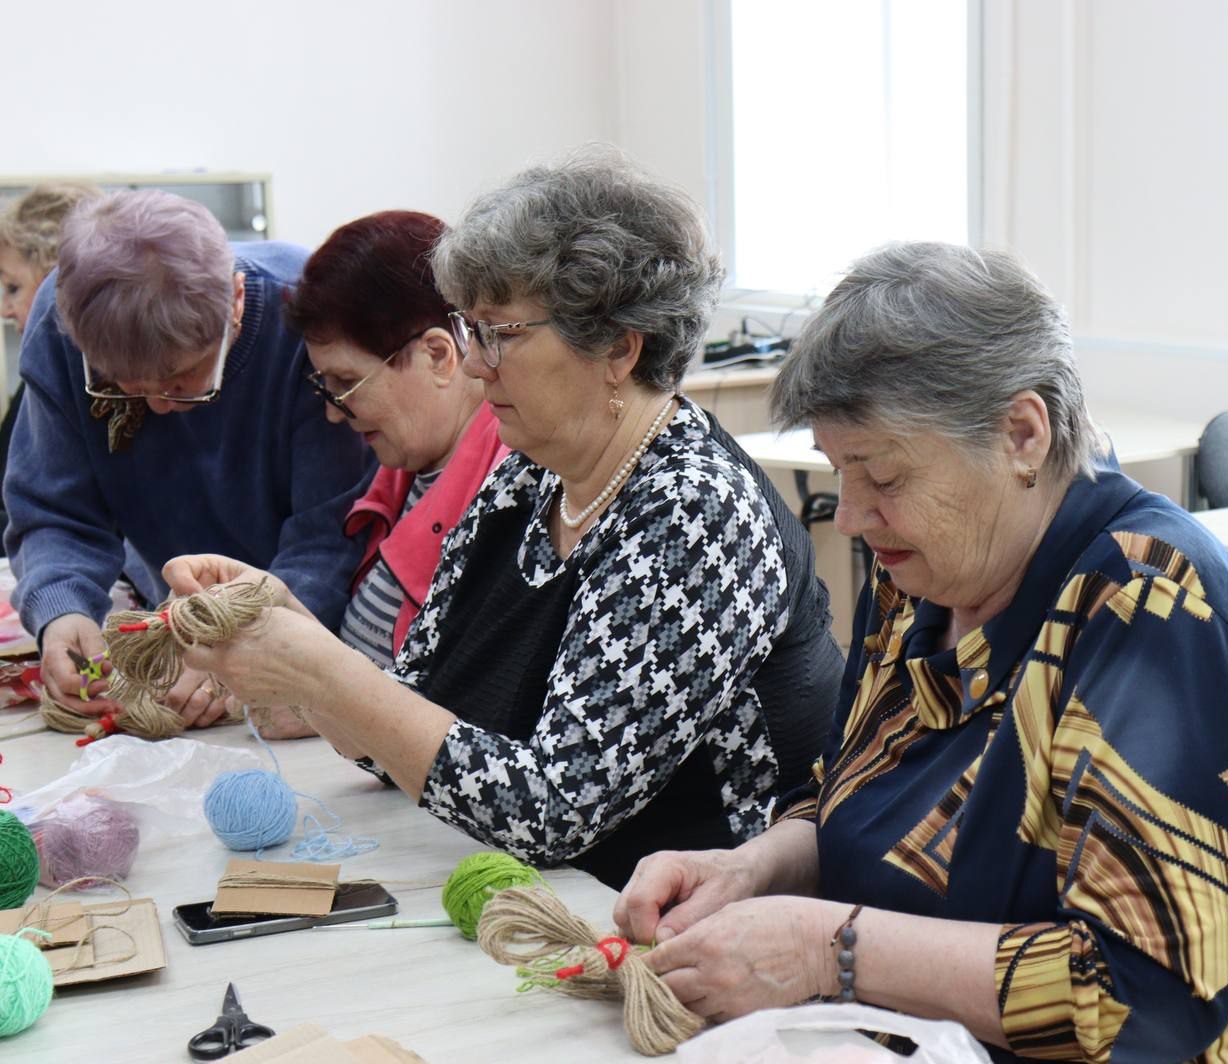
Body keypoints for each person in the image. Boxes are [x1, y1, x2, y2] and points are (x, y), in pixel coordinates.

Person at [612, 242, 1228, 1061]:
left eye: (885, 477)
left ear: (1022, 434)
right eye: (839, 471)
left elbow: (1145, 1000)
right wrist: (750, 871)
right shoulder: (926, 577)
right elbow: (848, 801)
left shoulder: (1149, 602)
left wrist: (828, 950)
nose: (849, 516)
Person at [165, 148, 844, 890]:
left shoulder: (696, 513)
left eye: (501, 333)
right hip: (550, 900)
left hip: (677, 924)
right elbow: (408, 726)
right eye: (471, 329)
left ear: (618, 348)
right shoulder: (528, 478)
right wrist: (287, 625)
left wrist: (320, 672)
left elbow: (553, 812)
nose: (474, 363)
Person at [3, 190, 374, 730]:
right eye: (124, 386)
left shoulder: (308, 315)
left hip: (306, 637)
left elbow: (329, 538)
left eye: (181, 380)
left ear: (236, 302)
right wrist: (63, 610)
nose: (157, 407)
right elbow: (53, 510)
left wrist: (241, 647)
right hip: (178, 629)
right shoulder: (64, 322)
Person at [252, 210, 505, 739]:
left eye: (345, 383)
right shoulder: (404, 469)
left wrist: (322, 702)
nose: (332, 413)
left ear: (437, 355)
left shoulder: (508, 492)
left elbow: (473, 708)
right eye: (323, 386)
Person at [0, 184, 101, 537]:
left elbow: (56, 516)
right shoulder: (42, 375)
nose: (6, 309)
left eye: (13, 288)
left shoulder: (95, 384)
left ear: (55, 282)